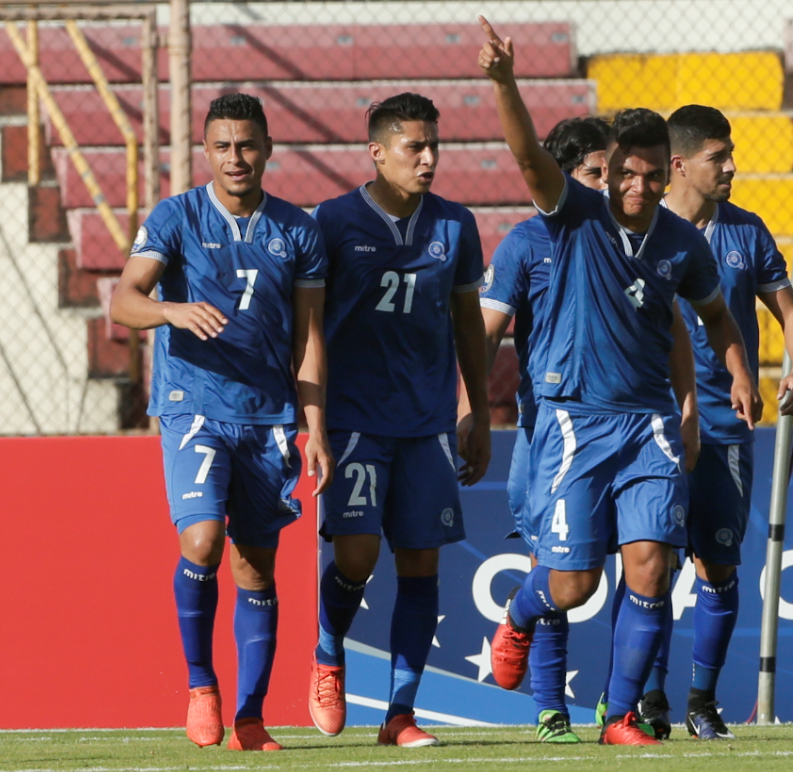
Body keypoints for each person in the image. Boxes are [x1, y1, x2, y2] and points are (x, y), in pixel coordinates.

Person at [477, 18, 760, 746]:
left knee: (650, 567)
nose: (634, 185)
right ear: (608, 173)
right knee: (572, 585)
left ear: (667, 172)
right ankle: (517, 617)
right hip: (573, 421)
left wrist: (732, 376)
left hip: (651, 424)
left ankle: (622, 715)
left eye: (648, 173)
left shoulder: (680, 242)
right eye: (622, 172)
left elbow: (710, 318)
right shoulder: (571, 219)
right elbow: (525, 154)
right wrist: (505, 82)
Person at [110, 93, 334, 752]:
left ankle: (250, 717)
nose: (235, 157)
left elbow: (310, 337)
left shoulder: (297, 230)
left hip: (267, 418)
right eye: (223, 146)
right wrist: (172, 311)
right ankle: (201, 685)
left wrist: (313, 424)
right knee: (202, 542)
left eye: (247, 145)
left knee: (256, 569)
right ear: (206, 151)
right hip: (193, 409)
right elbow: (124, 300)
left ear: (267, 149)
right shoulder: (176, 217)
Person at [468, 115, 701, 743]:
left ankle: (622, 707)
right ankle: (550, 708)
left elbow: (670, 327)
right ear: (567, 178)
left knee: (648, 562)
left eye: (615, 170)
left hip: (630, 422)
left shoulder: (635, 241)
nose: (611, 184)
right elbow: (487, 332)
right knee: (561, 571)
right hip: (550, 425)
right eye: (596, 173)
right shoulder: (528, 242)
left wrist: (688, 405)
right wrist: (469, 409)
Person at [307, 92, 491, 748]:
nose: (429, 158)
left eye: (434, 145)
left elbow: (468, 323)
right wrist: (313, 420)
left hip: (428, 423)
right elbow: (305, 325)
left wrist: (476, 409)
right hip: (355, 418)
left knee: (420, 566)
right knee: (355, 554)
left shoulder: (454, 226)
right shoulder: (330, 224)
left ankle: (399, 716)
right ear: (377, 152)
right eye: (415, 147)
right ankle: (328, 653)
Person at [666, 104, 793, 740]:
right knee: (647, 560)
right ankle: (636, 698)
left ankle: (701, 700)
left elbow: (792, 314)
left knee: (719, 567)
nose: (732, 166)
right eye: (716, 157)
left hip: (727, 424)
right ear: (680, 164)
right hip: (655, 423)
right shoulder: (639, 233)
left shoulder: (746, 233)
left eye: (731, 155)